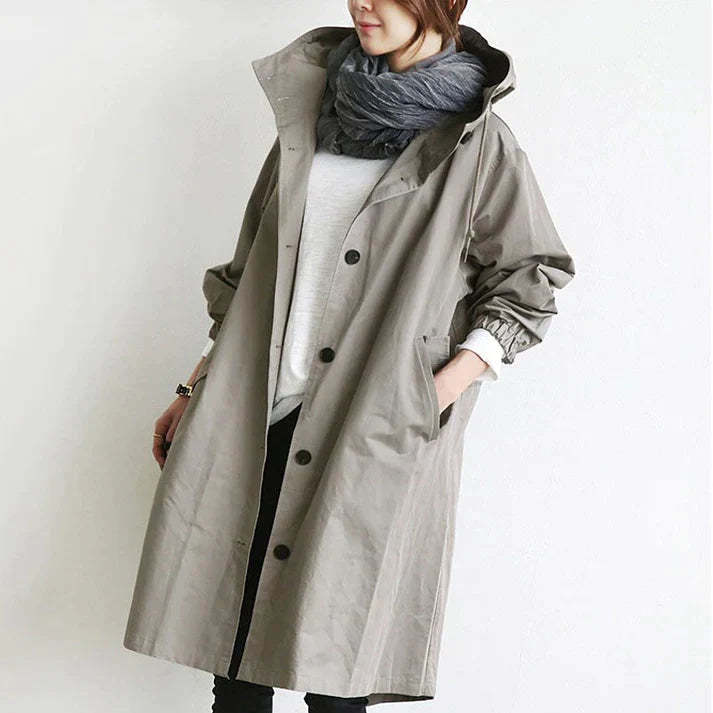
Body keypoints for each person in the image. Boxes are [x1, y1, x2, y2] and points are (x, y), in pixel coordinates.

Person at [126, 1, 576, 711]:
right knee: (233, 667)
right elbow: (251, 270)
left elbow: (530, 276)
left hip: (368, 428)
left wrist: (431, 392)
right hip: (260, 412)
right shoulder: (309, 117)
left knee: (336, 677)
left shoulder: (477, 144)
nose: (361, 3)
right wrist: (194, 385)